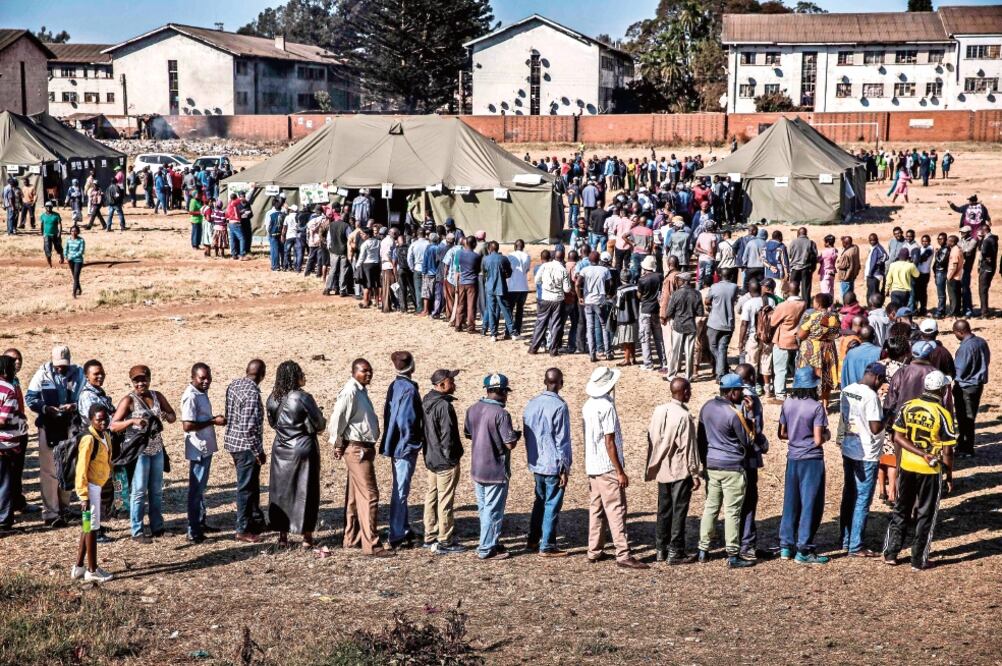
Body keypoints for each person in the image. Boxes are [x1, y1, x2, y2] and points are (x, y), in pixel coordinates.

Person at [883, 371, 956, 570]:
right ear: (942, 389)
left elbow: (897, 437)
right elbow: (948, 450)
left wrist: (916, 452)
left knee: (901, 509)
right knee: (926, 514)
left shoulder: (908, 407)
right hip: (930, 471)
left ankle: (891, 553)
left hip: (907, 466)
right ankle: (918, 559)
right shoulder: (943, 414)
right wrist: (948, 474)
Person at [582, 366, 648, 569]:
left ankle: (594, 549)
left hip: (593, 465)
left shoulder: (588, 405)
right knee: (617, 509)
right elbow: (609, 441)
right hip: (607, 466)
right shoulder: (607, 407)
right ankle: (623, 553)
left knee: (597, 509)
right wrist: (619, 470)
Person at [328, 359, 391, 556]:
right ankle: (371, 545)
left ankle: (351, 538)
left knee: (355, 497)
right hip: (357, 449)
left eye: (370, 371)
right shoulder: (350, 391)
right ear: (354, 371)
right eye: (364, 371)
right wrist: (337, 443)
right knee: (370, 495)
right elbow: (337, 419)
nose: (368, 374)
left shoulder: (361, 390)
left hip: (362, 448)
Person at [112, 365, 177, 542]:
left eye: (143, 379)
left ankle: (157, 527)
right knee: (139, 491)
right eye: (136, 380)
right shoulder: (128, 400)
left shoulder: (157, 396)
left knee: (156, 491)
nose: (141, 383)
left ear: (149, 379)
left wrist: (165, 416)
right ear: (131, 381)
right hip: (139, 451)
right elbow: (113, 425)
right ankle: (137, 531)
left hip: (156, 448)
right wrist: (132, 420)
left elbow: (172, 416)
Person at [267, 361, 326, 549]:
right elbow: (320, 424)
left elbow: (272, 424)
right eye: (301, 372)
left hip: (281, 449)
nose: (304, 375)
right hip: (302, 448)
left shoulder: (272, 398)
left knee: (280, 493)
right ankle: (307, 537)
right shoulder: (303, 397)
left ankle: (283, 536)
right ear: (295, 376)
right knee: (306, 492)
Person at [696, 374, 754, 568]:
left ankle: (703, 549)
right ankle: (733, 553)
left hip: (712, 464)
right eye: (739, 390)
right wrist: (750, 416)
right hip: (732, 467)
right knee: (732, 512)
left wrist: (705, 463)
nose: (742, 393)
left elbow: (701, 438)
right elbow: (747, 441)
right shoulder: (733, 414)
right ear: (731, 392)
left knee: (710, 507)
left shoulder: (706, 407)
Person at [26, 345, 85, 527]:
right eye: (58, 364)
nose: (61, 368)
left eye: (64, 364)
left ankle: (65, 507)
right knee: (49, 471)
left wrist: (73, 406)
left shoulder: (79, 374)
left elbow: (85, 396)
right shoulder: (42, 373)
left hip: (70, 425)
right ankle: (51, 513)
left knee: (69, 467)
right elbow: (31, 398)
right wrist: (45, 408)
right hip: (49, 426)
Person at [645, 377, 702, 564]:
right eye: (689, 390)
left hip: (662, 468)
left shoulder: (659, 410)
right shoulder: (685, 416)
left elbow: (651, 437)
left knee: (663, 509)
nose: (691, 394)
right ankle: (676, 551)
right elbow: (689, 448)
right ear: (684, 392)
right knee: (679, 511)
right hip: (679, 470)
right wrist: (695, 473)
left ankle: (660, 549)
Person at [777, 368, 830, 564]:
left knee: (790, 502)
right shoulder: (816, 408)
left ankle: (785, 546)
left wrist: (797, 438)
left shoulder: (788, 403)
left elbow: (782, 433)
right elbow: (817, 440)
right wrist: (827, 435)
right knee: (810, 504)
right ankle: (804, 549)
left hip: (793, 457)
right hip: (811, 459)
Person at [465, 373, 521, 560]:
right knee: (493, 511)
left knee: (484, 509)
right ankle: (486, 548)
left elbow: (468, 433)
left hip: (477, 467)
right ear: (503, 391)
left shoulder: (472, 408)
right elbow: (509, 443)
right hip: (496, 469)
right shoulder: (502, 414)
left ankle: (489, 540)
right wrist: (516, 435)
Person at [521, 368, 572, 557]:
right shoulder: (560, 406)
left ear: (545, 381)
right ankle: (548, 545)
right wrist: (564, 467)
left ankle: (533, 539)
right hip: (553, 464)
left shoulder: (532, 404)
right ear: (560, 383)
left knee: (539, 501)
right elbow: (562, 440)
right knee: (552, 504)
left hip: (537, 462)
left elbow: (527, 433)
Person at [839, 362, 887, 557]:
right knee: (862, 500)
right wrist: (888, 416)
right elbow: (875, 427)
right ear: (877, 378)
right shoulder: (871, 396)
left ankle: (845, 539)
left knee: (849, 495)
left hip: (849, 448)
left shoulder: (848, 390)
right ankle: (856, 545)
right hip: (867, 453)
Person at [380, 351, 423, 549]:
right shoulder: (408, 389)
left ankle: (403, 527)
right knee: (400, 491)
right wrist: (412, 442)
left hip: (395, 444)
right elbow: (406, 421)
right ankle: (396, 534)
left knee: (400, 487)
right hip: (404, 446)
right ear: (412, 366)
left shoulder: (395, 385)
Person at [421, 368, 465, 554]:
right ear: (441, 385)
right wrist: (452, 458)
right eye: (451, 382)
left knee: (432, 496)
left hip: (431, 457)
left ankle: (429, 534)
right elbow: (447, 436)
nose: (454, 384)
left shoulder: (426, 401)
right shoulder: (444, 406)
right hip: (445, 461)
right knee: (445, 500)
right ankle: (445, 539)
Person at [180, 363, 225, 544]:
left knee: (200, 489)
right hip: (198, 448)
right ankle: (193, 531)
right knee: (196, 490)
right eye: (202, 378)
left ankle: (200, 522)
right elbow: (187, 424)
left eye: (208, 377)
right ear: (193, 377)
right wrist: (213, 421)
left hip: (204, 446)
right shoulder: (191, 396)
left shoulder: (200, 393)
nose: (206, 381)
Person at [70, 403, 114, 583]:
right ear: (91, 419)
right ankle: (92, 570)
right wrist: (83, 496)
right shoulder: (89, 439)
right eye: (99, 420)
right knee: (92, 528)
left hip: (98, 486)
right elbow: (81, 468)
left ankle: (79, 567)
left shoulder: (105, 435)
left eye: (105, 419)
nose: (103, 422)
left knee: (87, 527)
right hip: (90, 489)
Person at [224, 359, 267, 542]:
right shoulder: (252, 394)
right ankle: (242, 529)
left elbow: (229, 413)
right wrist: (258, 452)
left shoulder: (234, 385)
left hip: (233, 442)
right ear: (262, 375)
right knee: (246, 488)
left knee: (251, 485)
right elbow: (249, 428)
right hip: (245, 447)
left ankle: (256, 520)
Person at [796, 293, 840, 410]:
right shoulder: (834, 317)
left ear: (819, 304)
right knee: (826, 376)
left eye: (814, 301)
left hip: (812, 350)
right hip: (829, 349)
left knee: (811, 375)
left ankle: (811, 402)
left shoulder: (812, 316)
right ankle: (825, 404)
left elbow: (801, 334)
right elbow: (836, 333)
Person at [952, 319, 989, 458]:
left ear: (960, 332)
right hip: (977, 385)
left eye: (955, 333)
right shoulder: (981, 342)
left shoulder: (965, 348)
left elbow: (959, 370)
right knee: (969, 417)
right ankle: (963, 443)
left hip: (965, 387)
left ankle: (966, 448)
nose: (955, 335)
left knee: (965, 419)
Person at [0, 355, 28, 533]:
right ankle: (3, 521)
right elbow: (3, 420)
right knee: (6, 482)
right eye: (11, 367)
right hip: (6, 444)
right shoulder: (9, 389)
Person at [770, 281, 806, 401]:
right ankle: (797, 391)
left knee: (780, 369)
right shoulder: (803, 304)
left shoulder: (783, 306)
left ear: (788, 292)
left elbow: (772, 322)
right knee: (796, 368)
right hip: (796, 340)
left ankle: (780, 394)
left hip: (783, 341)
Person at [664, 272, 703, 380]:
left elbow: (669, 311)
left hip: (678, 325)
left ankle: (672, 375)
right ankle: (688, 376)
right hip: (691, 325)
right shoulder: (697, 294)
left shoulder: (676, 294)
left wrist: (670, 316)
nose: (678, 281)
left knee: (675, 351)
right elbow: (700, 312)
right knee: (689, 352)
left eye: (679, 280)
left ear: (683, 281)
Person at [577, 251, 614, 362]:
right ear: (599, 260)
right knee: (604, 326)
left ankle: (592, 354)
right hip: (600, 301)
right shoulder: (605, 270)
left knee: (590, 327)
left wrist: (580, 296)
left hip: (588, 301)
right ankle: (608, 353)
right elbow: (611, 283)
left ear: (589, 260)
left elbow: (578, 283)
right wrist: (608, 293)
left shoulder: (584, 270)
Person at [704, 267, 738, 379]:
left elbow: (707, 301)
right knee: (722, 348)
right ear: (731, 276)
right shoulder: (734, 287)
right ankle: (721, 373)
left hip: (714, 322)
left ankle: (722, 369)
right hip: (728, 323)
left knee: (713, 346)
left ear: (719, 276)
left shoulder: (714, 287)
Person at [482, 242, 516, 341]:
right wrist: (503, 276)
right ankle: (512, 332)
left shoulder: (485, 259)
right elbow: (509, 273)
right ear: (497, 248)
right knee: (506, 310)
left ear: (489, 249)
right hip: (501, 287)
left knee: (491, 311)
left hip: (490, 287)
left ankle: (493, 334)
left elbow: (484, 273)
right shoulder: (504, 259)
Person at [637, 255, 666, 370]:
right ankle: (663, 361)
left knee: (645, 338)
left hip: (645, 310)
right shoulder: (660, 276)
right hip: (656, 309)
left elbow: (639, 295)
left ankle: (648, 363)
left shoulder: (642, 279)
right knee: (658, 338)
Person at [454, 236, 481, 333]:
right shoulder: (477, 256)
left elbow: (457, 266)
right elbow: (478, 270)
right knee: (471, 305)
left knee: (460, 304)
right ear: (474, 244)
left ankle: (458, 325)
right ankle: (470, 327)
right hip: (472, 282)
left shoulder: (459, 254)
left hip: (462, 281)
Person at [506, 240, 531, 335]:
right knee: (520, 310)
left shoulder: (510, 256)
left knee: (510, 310)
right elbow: (527, 270)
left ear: (514, 246)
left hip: (512, 287)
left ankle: (508, 331)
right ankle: (517, 330)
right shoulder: (527, 256)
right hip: (523, 287)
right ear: (523, 246)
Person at [788, 228, 817, 303]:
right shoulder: (811, 243)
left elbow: (789, 255)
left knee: (793, 287)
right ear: (806, 233)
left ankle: (793, 304)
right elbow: (815, 256)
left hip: (794, 269)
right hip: (806, 268)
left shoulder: (793, 242)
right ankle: (806, 306)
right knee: (806, 288)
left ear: (798, 234)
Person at [976, 227, 997, 318]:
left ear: (984, 231)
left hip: (986, 267)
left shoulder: (987, 240)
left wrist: (981, 241)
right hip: (990, 267)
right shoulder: (993, 238)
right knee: (984, 289)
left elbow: (983, 251)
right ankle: (984, 311)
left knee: (982, 290)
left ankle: (984, 313)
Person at [39, 201, 65, 268]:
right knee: (47, 250)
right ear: (45, 207)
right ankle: (49, 264)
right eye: (47, 206)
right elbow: (42, 225)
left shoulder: (56, 215)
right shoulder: (43, 216)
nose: (48, 208)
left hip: (55, 234)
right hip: (47, 235)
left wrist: (59, 233)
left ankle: (62, 257)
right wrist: (42, 234)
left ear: (52, 207)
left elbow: (59, 224)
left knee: (58, 248)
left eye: (50, 206)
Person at [864, 234, 888, 300]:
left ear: (877, 240)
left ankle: (874, 308)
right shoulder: (872, 248)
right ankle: (871, 308)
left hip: (874, 275)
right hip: (870, 274)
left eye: (874, 240)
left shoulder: (878, 248)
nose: (872, 242)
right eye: (870, 240)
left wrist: (878, 264)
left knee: (873, 294)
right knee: (870, 293)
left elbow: (885, 256)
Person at [65, 225, 85, 298]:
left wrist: (71, 257)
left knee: (76, 276)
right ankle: (79, 289)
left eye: (75, 231)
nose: (73, 232)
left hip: (78, 260)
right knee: (74, 276)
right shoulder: (68, 239)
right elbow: (66, 248)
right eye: (72, 231)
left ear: (78, 232)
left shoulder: (81, 240)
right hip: (70, 260)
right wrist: (65, 256)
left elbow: (81, 251)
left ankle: (74, 293)